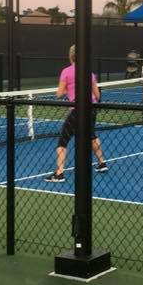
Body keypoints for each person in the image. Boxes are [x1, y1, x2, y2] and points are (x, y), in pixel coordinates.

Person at [44, 45, 109, 183]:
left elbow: (59, 94)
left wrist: (68, 90)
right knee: (92, 135)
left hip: (77, 111)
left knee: (62, 141)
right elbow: (97, 95)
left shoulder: (66, 72)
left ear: (70, 56)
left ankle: (59, 174)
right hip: (91, 109)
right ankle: (102, 163)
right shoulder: (89, 73)